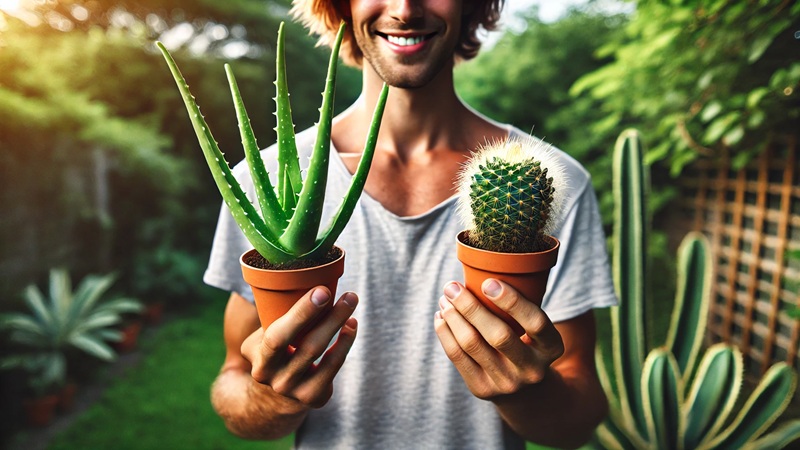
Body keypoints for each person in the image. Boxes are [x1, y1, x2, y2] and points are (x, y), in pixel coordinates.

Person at [203, 1, 617, 448]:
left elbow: (579, 415)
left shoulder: (555, 183)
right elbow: (234, 379)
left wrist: (528, 393)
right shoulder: (259, 185)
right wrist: (272, 399)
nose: (405, 9)